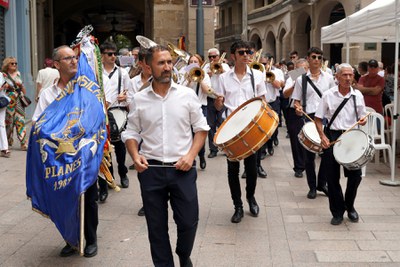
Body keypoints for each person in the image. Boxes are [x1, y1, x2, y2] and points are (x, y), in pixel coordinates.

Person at [122, 45, 209, 267]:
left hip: (183, 169)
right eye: (161, 63)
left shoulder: (187, 95)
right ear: (148, 66)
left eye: (169, 62)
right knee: (156, 227)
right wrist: (134, 155)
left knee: (189, 222)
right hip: (151, 171)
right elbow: (131, 132)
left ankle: (183, 253)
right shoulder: (139, 99)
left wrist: (191, 156)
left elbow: (201, 129)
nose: (168, 67)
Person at [32, 45, 99, 257]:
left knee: (88, 197)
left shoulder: (86, 89)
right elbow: (37, 123)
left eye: (75, 57)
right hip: (59, 158)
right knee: (64, 199)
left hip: (83, 155)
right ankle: (71, 239)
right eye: (67, 58)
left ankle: (91, 239)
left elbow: (95, 117)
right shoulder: (47, 94)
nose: (73, 61)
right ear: (56, 64)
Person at [214, 40, 267, 223]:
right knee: (232, 169)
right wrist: (218, 102)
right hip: (231, 126)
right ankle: (238, 206)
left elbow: (262, 99)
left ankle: (250, 197)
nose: (246, 55)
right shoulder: (223, 78)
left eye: (248, 52)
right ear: (233, 56)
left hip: (250, 126)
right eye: (242, 52)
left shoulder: (258, 75)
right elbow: (219, 104)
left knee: (252, 168)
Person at [315, 63, 367, 225]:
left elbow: (362, 118)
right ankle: (337, 211)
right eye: (344, 75)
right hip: (333, 136)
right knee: (332, 177)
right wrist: (322, 136)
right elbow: (318, 119)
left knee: (355, 176)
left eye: (351, 75)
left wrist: (363, 120)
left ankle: (350, 206)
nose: (348, 78)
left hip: (351, 137)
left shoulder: (357, 95)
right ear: (336, 77)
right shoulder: (328, 95)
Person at [292, 47, 335, 199]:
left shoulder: (329, 78)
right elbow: (296, 100)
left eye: (319, 57)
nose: (317, 60)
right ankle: (312, 186)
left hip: (325, 118)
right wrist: (297, 107)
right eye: (314, 57)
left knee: (327, 154)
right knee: (309, 156)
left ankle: (321, 183)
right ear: (308, 59)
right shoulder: (300, 79)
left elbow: (334, 98)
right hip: (308, 117)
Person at [100, 41, 133, 203]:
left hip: (118, 112)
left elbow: (130, 94)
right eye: (109, 54)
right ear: (102, 56)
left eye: (115, 54)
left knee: (119, 146)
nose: (113, 57)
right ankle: (109, 177)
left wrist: (125, 97)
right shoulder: (96, 72)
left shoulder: (122, 73)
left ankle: (123, 171)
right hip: (101, 113)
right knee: (104, 147)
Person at [183, 53, 212, 170]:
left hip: (201, 107)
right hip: (187, 108)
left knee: (199, 133)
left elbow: (207, 91)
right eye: (191, 62)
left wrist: (199, 79)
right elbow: (181, 91)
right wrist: (189, 81)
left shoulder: (204, 76)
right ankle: (191, 157)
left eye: (195, 62)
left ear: (200, 64)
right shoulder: (184, 75)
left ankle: (201, 155)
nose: (193, 64)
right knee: (188, 134)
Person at [283, 58, 309, 178]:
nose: (303, 71)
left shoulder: (314, 77)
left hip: (310, 110)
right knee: (296, 139)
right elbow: (285, 94)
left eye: (305, 68)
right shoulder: (292, 77)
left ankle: (308, 163)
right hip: (294, 110)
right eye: (299, 69)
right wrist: (295, 85)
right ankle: (299, 167)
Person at [203, 47, 230, 159]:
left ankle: (226, 148)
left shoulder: (225, 66)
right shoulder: (205, 67)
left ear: (218, 57)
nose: (212, 59)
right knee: (210, 125)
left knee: (223, 123)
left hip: (222, 98)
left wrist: (221, 71)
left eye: (214, 56)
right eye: (210, 57)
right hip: (210, 98)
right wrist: (208, 74)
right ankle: (213, 149)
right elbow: (201, 79)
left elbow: (229, 78)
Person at [2, 57, 28, 151]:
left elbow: (23, 87)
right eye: (12, 63)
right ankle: (8, 141)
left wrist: (23, 92)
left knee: (21, 121)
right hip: (8, 101)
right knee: (9, 122)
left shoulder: (18, 74)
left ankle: (23, 143)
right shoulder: (3, 75)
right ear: (7, 65)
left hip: (18, 101)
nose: (14, 65)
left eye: (15, 63)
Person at [0, 74, 9, 158]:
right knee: (1, 124)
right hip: (3, 100)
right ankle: (4, 148)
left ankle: (4, 148)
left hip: (1, 101)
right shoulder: (2, 75)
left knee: (1, 124)